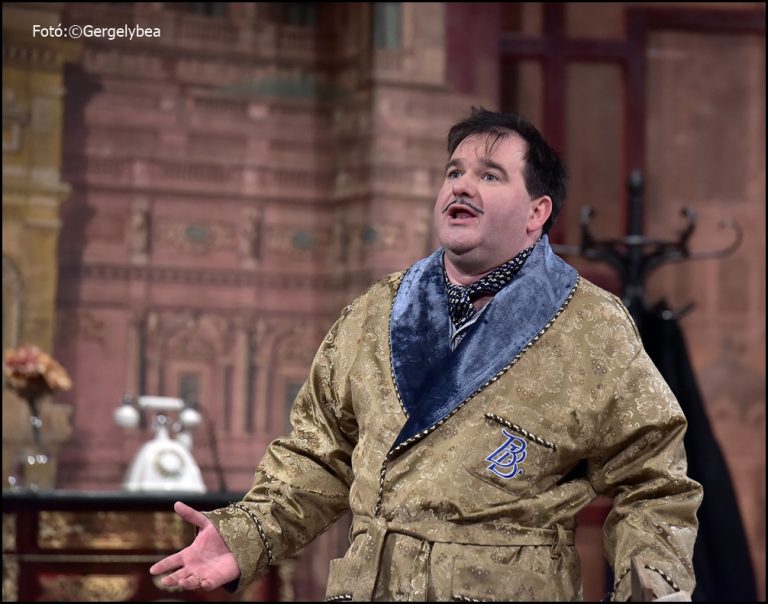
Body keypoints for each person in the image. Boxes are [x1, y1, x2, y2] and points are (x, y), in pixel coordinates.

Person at [150, 107, 702, 601]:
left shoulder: (591, 326)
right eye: (454, 172)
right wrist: (245, 535)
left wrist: (654, 592)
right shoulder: (376, 311)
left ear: (537, 211)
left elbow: (652, 480)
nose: (462, 186)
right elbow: (319, 455)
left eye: (489, 175)